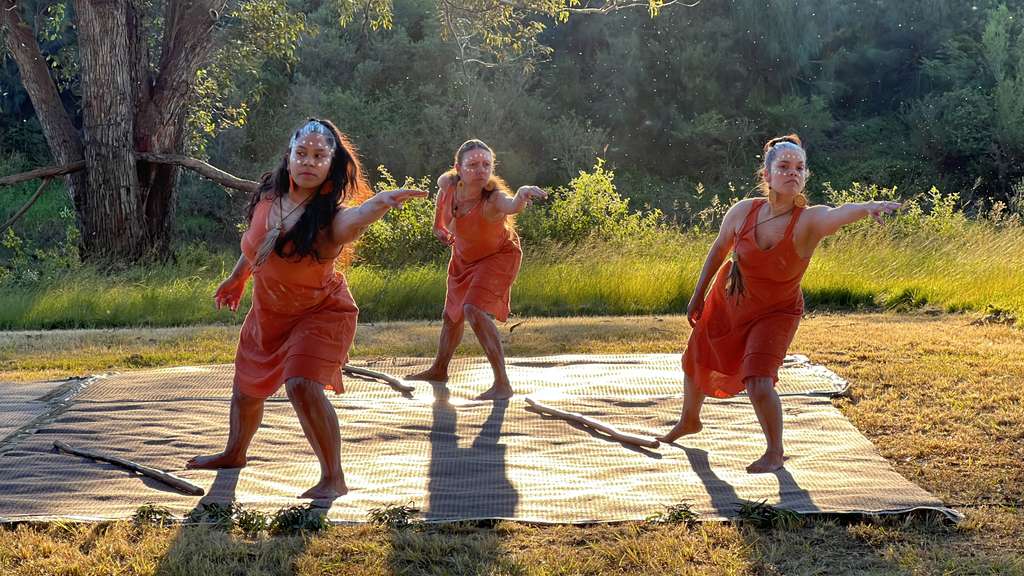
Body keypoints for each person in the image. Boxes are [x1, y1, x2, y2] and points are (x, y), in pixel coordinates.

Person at [186, 118, 426, 498]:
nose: (309, 162)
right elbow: (254, 245)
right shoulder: (268, 195)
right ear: (289, 156)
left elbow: (357, 219)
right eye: (302, 154)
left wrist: (381, 203)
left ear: (332, 164)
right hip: (269, 312)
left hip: (321, 312)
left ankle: (334, 477)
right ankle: (235, 453)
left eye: (319, 156)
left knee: (301, 383)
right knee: (247, 390)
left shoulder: (330, 217)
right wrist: (238, 278)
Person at [657, 134, 901, 473]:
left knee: (758, 381)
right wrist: (697, 294)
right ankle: (689, 420)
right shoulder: (743, 211)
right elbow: (718, 250)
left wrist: (866, 208)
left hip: (776, 312)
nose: (793, 173)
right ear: (767, 175)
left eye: (799, 168)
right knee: (696, 357)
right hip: (729, 300)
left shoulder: (809, 221)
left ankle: (775, 452)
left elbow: (838, 213)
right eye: (784, 167)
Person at [406, 140, 547, 400]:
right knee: (452, 316)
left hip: (498, 257)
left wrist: (523, 194)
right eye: (473, 165)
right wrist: (439, 228)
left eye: (486, 164)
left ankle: (502, 384)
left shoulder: (493, 197)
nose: (481, 170)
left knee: (473, 308)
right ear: (458, 168)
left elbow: (512, 204)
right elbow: (441, 211)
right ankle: (439, 369)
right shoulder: (448, 187)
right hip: (463, 259)